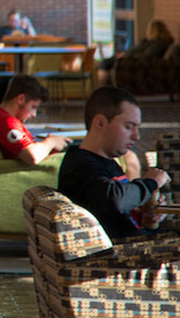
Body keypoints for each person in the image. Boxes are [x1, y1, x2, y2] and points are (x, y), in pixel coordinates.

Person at [58, 87, 170, 239]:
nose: (136, 136)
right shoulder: (79, 166)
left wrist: (143, 215)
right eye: (129, 127)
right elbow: (114, 199)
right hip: (118, 258)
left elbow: (111, 210)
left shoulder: (107, 163)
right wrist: (150, 183)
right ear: (100, 123)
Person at [0, 75, 71, 163]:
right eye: (33, 107)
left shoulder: (4, 118)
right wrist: (50, 142)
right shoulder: (7, 122)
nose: (34, 114)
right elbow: (32, 156)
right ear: (21, 99)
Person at [97, 19, 174, 84]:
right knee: (107, 62)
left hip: (131, 62)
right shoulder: (148, 41)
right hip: (128, 58)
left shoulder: (158, 44)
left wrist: (126, 56)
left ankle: (101, 87)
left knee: (106, 63)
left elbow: (146, 55)